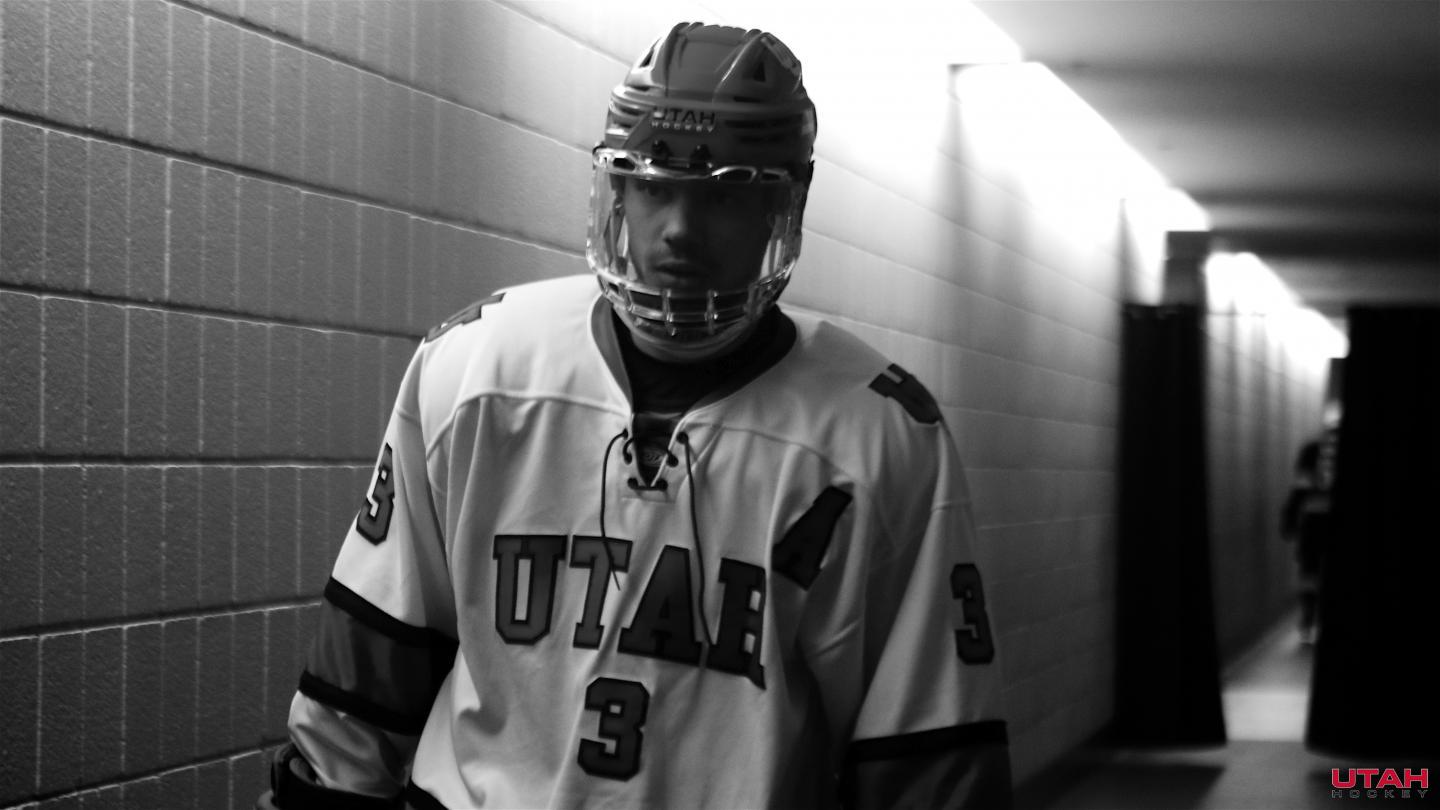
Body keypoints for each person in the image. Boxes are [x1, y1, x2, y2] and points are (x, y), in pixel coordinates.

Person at [259, 22, 1011, 810]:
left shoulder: (880, 434)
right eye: (655, 186)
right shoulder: (478, 370)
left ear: (781, 207)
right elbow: (367, 674)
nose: (680, 229)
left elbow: (931, 760)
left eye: (724, 194)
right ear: (615, 190)